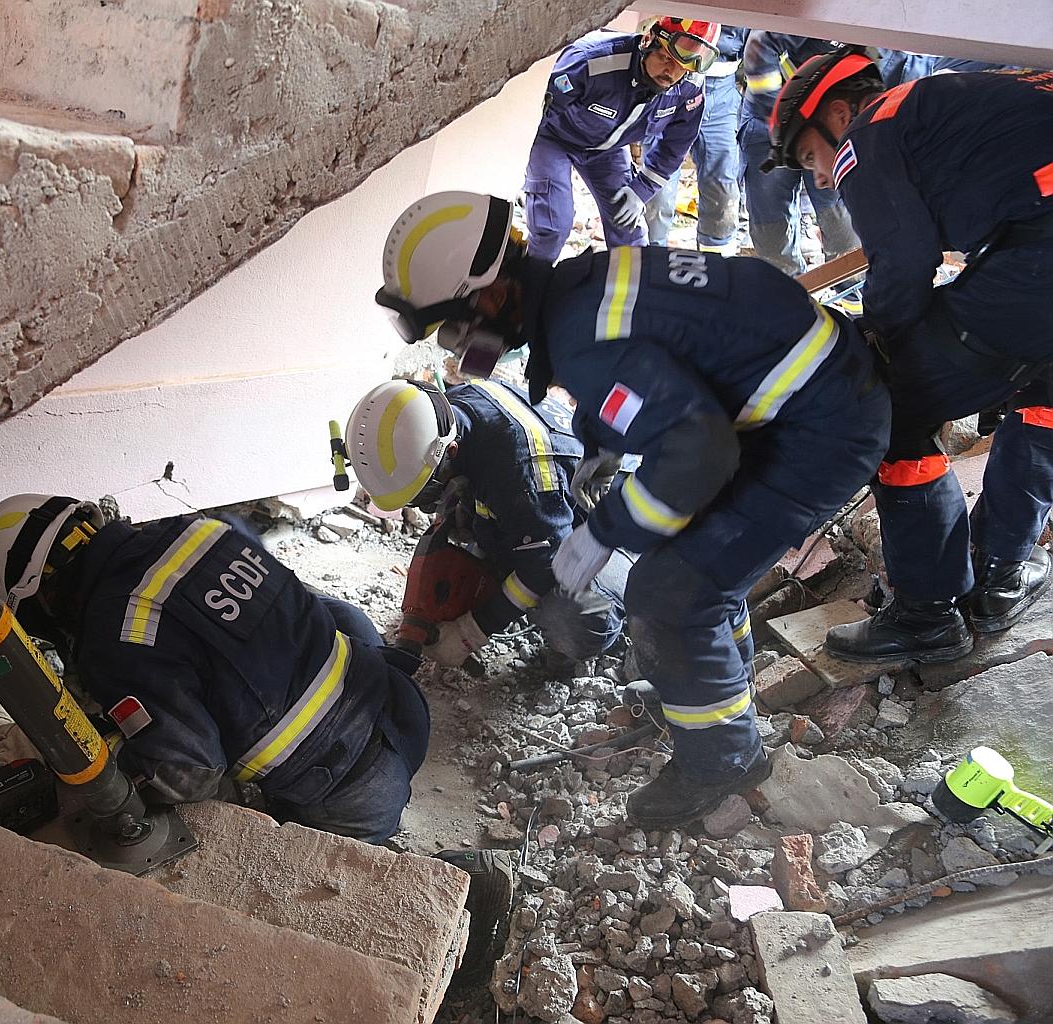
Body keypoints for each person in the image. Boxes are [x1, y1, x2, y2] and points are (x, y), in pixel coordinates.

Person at [373, 191, 890, 826]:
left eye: (451, 325)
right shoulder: (582, 288)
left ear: (488, 295)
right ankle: (715, 687)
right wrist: (603, 442)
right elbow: (665, 359)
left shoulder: (581, 338)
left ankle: (725, 760)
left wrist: (606, 528)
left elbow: (698, 451)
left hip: (821, 429)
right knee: (692, 566)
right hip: (798, 397)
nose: (457, 345)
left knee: (670, 592)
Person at [767, 53, 1053, 661]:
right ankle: (1000, 576)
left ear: (837, 114)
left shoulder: (871, 131)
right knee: (1044, 395)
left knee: (892, 410)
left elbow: (903, 262)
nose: (819, 177)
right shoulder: (954, 97)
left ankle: (927, 615)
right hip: (1037, 239)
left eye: (809, 156)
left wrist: (882, 345)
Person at [0, 494, 430, 844]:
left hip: (355, 797)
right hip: (400, 705)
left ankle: (468, 881)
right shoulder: (199, 529)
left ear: (43, 594)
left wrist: (66, 749)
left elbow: (188, 772)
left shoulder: (117, 635)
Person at [342, 377, 631, 668]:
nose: (427, 505)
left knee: (571, 616)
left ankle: (594, 632)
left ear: (451, 451)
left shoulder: (522, 474)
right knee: (465, 524)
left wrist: (471, 631)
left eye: (425, 493)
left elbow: (546, 564)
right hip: (542, 510)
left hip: (617, 528)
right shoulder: (441, 414)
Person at [522, 17, 718, 262]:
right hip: (553, 139)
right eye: (666, 59)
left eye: (682, 67)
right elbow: (532, 113)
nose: (671, 73)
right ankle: (527, 289)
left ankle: (632, 297)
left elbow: (676, 145)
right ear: (648, 40)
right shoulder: (592, 61)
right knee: (552, 225)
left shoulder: (689, 87)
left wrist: (642, 189)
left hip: (607, 149)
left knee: (630, 232)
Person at [738, 31, 861, 275]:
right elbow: (760, 47)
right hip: (771, 120)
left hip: (835, 129)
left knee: (842, 222)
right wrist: (783, 123)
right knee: (772, 229)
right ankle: (788, 294)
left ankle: (851, 303)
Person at [645, 26, 750, 254]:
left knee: (722, 186)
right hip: (668, 80)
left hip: (720, 90)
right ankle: (651, 257)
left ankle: (716, 262)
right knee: (656, 188)